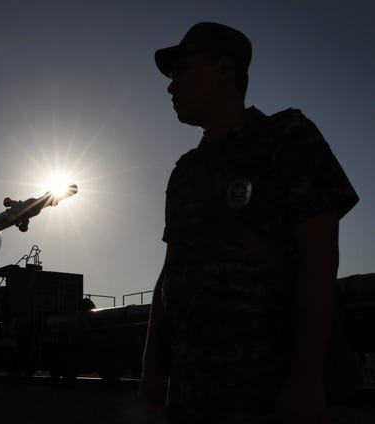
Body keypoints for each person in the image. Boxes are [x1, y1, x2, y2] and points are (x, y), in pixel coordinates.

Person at [138, 22, 359, 424]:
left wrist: (306, 378)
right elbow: (169, 274)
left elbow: (320, 263)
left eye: (182, 71)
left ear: (224, 70)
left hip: (265, 390)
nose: (171, 87)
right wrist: (151, 365)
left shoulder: (289, 138)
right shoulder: (185, 172)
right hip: (189, 389)